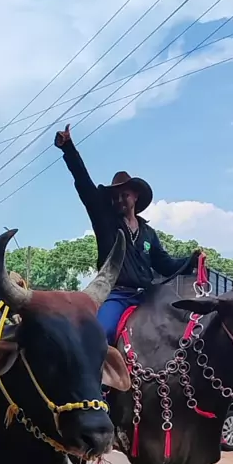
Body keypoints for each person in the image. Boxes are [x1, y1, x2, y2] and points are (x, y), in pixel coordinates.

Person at [54, 124, 200, 344]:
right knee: (100, 335)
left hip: (148, 296)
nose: (119, 200)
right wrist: (68, 149)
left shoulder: (148, 233)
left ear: (136, 196)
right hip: (117, 295)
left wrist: (192, 261)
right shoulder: (106, 222)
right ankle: (95, 366)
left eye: (125, 195)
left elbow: (165, 265)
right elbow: (84, 184)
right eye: (115, 197)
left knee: (180, 326)